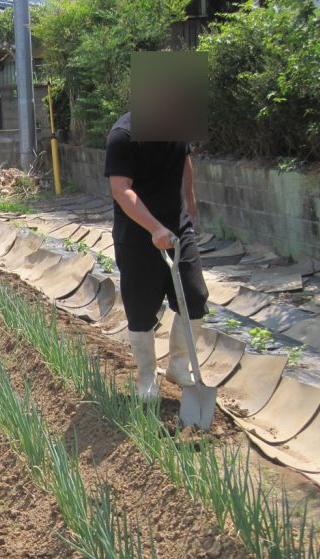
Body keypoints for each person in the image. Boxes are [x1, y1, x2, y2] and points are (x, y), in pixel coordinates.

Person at [104, 108, 208, 402]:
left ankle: (177, 365)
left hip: (177, 228)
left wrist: (190, 204)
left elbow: (184, 159)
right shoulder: (122, 136)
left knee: (195, 296)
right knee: (141, 311)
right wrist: (154, 227)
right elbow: (121, 190)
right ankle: (147, 376)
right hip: (137, 234)